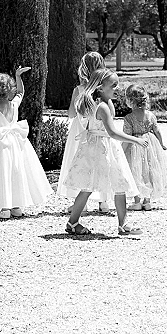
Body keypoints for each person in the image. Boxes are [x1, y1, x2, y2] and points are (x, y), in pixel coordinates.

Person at [64, 68, 148, 237]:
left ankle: (73, 222)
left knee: (90, 186)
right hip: (104, 148)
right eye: (113, 85)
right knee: (119, 183)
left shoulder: (95, 103)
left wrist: (108, 100)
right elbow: (112, 132)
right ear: (101, 87)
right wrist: (135, 140)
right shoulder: (101, 106)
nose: (117, 88)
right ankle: (121, 225)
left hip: (94, 146)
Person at [0, 65, 53, 219]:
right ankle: (16, 206)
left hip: (1, 145)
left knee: (2, 172)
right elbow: (21, 92)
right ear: (10, 89)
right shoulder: (14, 104)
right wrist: (18, 76)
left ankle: (5, 208)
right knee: (16, 171)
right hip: (17, 144)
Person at [56, 51, 113, 214]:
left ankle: (81, 203)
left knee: (81, 163)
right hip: (99, 130)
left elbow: (71, 114)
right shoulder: (103, 90)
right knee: (101, 161)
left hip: (81, 130)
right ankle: (103, 202)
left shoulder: (79, 89)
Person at [122, 84, 167, 210]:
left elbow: (127, 136)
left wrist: (122, 150)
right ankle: (147, 201)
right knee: (149, 170)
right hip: (150, 145)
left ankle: (137, 201)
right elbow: (157, 131)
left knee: (136, 171)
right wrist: (161, 144)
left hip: (135, 145)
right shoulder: (151, 115)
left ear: (130, 101)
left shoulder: (129, 118)